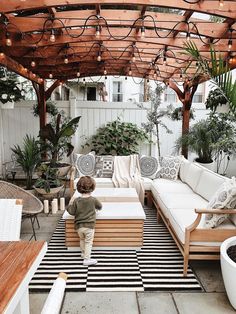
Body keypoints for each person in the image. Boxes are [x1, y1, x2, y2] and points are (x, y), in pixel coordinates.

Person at [67, 176, 102, 266]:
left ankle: (83, 254)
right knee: (88, 242)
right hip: (89, 226)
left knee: (82, 239)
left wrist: (68, 206)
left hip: (79, 227)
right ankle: (87, 259)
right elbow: (100, 206)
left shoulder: (76, 201)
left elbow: (72, 212)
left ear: (79, 188)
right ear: (92, 188)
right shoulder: (93, 200)